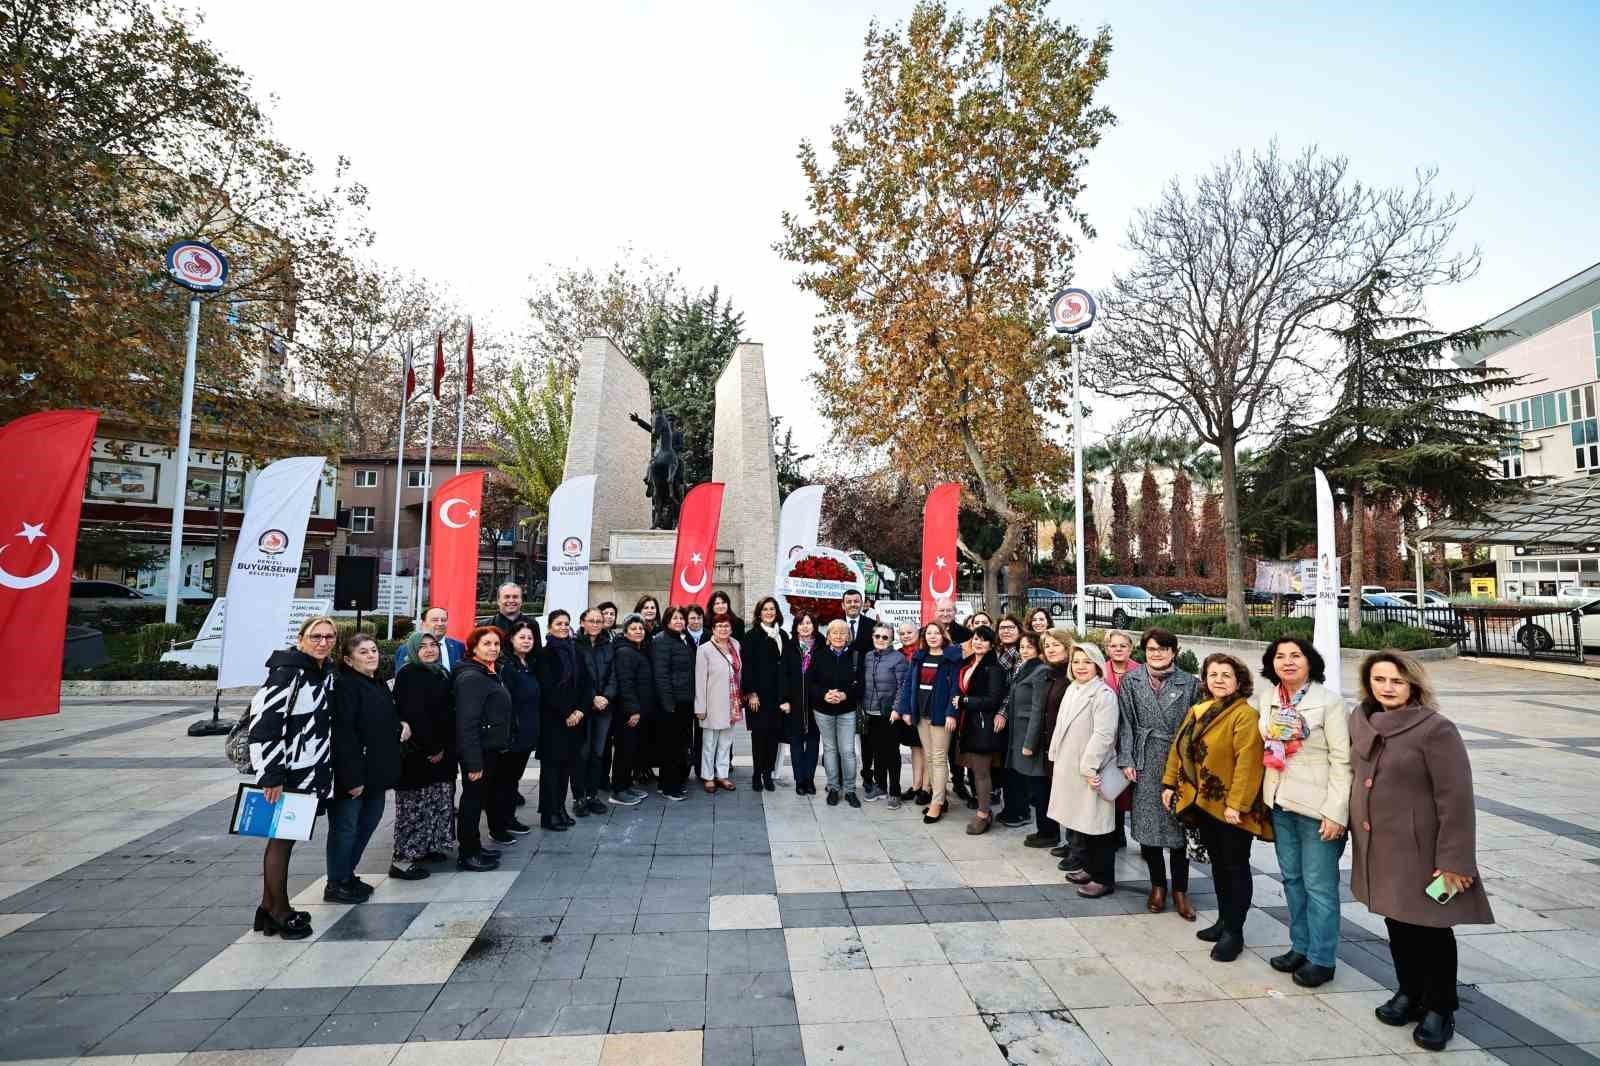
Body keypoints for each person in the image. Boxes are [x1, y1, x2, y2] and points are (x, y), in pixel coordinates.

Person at [1350, 651, 1493, 1052]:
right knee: (1397, 923)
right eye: (1379, 680)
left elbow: (1456, 798)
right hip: (1380, 845)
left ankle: (1440, 1007)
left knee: (1431, 929)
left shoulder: (1435, 729)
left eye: (1396, 680)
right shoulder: (1362, 721)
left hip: (1422, 849)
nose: (1388, 688)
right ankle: (1409, 993)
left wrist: (1454, 860)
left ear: (1413, 683)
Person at [1161, 653, 1272, 963]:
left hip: (1232, 808)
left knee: (1235, 867)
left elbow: (1248, 764)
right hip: (1204, 803)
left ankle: (1234, 933)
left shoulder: (1243, 715)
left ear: (1239, 681)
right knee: (1220, 866)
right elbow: (1178, 748)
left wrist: (1237, 804)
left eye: (1226, 674)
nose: (1219, 680)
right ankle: (1224, 921)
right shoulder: (1199, 710)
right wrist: (1169, 784)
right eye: (1213, 674)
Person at [1254, 636, 1351, 988]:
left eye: (1296, 655)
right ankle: (1300, 946)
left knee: (1319, 885)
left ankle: (1323, 958)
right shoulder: (1268, 698)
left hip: (1316, 807)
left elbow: (1343, 760)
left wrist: (1337, 812)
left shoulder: (1329, 702)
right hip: (1279, 801)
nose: (1288, 661)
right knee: (1292, 880)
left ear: (1310, 662)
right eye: (1280, 656)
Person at [247, 616, 337, 938]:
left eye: (329, 636)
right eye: (316, 636)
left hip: (309, 771)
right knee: (282, 840)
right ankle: (280, 910)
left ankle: (268, 908)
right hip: (288, 773)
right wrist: (271, 775)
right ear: (301, 639)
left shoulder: (320, 673)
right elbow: (265, 724)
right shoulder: (288, 674)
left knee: (286, 837)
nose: (323, 642)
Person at [1117, 627, 1201, 919]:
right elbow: (1125, 722)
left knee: (1179, 829)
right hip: (1144, 758)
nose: (1157, 654)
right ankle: (1157, 886)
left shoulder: (1190, 683)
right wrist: (1126, 758)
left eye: (1163, 649)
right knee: (1148, 828)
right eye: (1152, 649)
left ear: (1173, 652)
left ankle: (1180, 890)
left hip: (1177, 760)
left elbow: (1196, 728)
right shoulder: (1132, 680)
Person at [325, 633, 405, 903]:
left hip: (377, 771)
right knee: (346, 827)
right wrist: (352, 778)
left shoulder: (377, 683)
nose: (372, 655)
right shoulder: (346, 686)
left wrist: (399, 726)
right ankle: (336, 882)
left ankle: (347, 873)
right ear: (348, 659)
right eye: (363, 652)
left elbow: (382, 720)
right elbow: (344, 734)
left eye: (373, 650)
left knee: (368, 823)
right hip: (354, 774)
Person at [1046, 642, 1119, 897]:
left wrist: (1089, 768)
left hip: (1091, 769)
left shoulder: (1103, 695)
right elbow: (1061, 725)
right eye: (1076, 661)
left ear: (1097, 665)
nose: (1080, 667)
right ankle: (1087, 867)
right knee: (1080, 822)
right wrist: (1054, 753)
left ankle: (1103, 878)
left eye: (1086, 662)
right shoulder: (1074, 689)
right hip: (1069, 764)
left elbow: (1104, 734)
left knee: (1097, 824)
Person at [391, 630, 456, 880]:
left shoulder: (440, 672)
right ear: (413, 651)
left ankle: (428, 847)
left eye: (434, 645)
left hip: (442, 752)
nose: (430, 650)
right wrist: (433, 748)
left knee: (435, 801)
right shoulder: (409, 674)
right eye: (423, 646)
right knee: (414, 807)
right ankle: (405, 857)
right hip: (420, 754)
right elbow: (415, 714)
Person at [453, 627, 512, 869]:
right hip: (479, 752)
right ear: (474, 647)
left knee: (478, 799)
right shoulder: (472, 677)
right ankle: (468, 854)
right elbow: (467, 723)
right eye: (487, 644)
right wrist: (474, 762)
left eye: (496, 644)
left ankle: (475, 847)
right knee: (472, 802)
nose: (493, 648)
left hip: (490, 748)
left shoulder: (489, 671)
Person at [895, 620, 963, 822]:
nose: (933, 636)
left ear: (943, 636)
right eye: (929, 633)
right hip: (921, 714)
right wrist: (905, 709)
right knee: (931, 758)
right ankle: (940, 797)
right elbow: (909, 685)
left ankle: (936, 803)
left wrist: (952, 712)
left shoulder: (952, 658)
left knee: (939, 758)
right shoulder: (919, 657)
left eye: (937, 633)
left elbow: (956, 689)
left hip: (941, 715)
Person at [998, 632, 1055, 845]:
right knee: (1033, 785)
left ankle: (1048, 833)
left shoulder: (1041, 670)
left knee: (1040, 788)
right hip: (1019, 733)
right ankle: (1044, 830)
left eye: (1029, 647)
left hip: (1031, 739)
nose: (1024, 650)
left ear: (1038, 650)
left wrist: (1029, 744)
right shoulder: (1025, 669)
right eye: (1022, 647)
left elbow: (1038, 709)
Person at [538, 610, 592, 825]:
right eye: (558, 623)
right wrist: (567, 712)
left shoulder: (575, 651)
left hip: (575, 721)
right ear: (550, 627)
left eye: (566, 623)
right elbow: (548, 688)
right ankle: (548, 814)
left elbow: (587, 684)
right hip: (554, 721)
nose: (563, 627)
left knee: (566, 769)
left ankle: (560, 809)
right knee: (552, 770)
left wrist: (580, 710)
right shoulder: (544, 653)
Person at [954, 624, 1009, 834]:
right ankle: (983, 810)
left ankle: (983, 814)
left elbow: (993, 700)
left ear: (991, 644)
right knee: (975, 771)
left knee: (981, 773)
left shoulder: (993, 668)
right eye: (975, 638)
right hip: (969, 724)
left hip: (983, 727)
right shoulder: (969, 663)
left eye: (983, 639)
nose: (978, 642)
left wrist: (965, 701)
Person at [492, 621, 540, 841]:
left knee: (513, 780)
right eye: (522, 637)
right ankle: (498, 826)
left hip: (527, 733)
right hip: (512, 734)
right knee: (502, 781)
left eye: (530, 637)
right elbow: (506, 703)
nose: (526, 641)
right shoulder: (506, 666)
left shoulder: (528, 663)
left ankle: (509, 818)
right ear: (511, 640)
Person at [809, 619, 862, 808]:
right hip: (823, 711)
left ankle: (850, 790)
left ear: (848, 636)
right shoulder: (819, 655)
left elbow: (860, 684)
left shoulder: (855, 657)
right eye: (835, 633)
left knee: (847, 751)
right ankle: (833, 788)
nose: (839, 636)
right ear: (828, 636)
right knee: (830, 749)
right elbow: (811, 683)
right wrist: (825, 694)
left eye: (843, 633)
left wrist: (845, 695)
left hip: (846, 711)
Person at [570, 609, 618, 815]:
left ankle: (592, 795)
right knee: (582, 753)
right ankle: (579, 798)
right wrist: (593, 697)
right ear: (582, 622)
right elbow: (577, 678)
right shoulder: (574, 646)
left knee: (598, 753)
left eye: (599, 621)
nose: (596, 624)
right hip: (583, 707)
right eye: (592, 621)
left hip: (604, 707)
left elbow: (614, 675)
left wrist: (606, 696)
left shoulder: (608, 644)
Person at [740, 596, 791, 792]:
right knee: (759, 737)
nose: (769, 612)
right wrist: (751, 693)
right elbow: (748, 667)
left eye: (772, 609)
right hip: (759, 697)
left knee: (773, 737)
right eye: (765, 609)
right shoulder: (752, 636)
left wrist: (786, 696)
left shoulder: (783, 636)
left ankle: (767, 774)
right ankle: (756, 774)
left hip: (777, 697)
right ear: (759, 613)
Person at [859, 621, 909, 807]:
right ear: (872, 637)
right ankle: (880, 785)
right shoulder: (868, 657)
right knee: (877, 751)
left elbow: (903, 687)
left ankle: (895, 790)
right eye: (877, 636)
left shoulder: (898, 659)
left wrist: (896, 709)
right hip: (869, 712)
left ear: (891, 639)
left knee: (891, 753)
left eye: (885, 637)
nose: (880, 639)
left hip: (889, 713)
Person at [608, 614, 654, 805]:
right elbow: (625, 684)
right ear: (625, 632)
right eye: (633, 629)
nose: (638, 631)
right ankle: (619, 790)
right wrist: (633, 711)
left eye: (641, 629)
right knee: (623, 751)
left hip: (636, 711)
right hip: (627, 713)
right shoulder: (625, 653)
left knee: (630, 750)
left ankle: (626, 785)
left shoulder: (637, 649)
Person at [652, 606, 697, 800]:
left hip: (685, 701)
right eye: (674, 618)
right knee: (670, 746)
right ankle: (670, 787)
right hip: (672, 703)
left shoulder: (682, 638)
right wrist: (668, 703)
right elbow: (661, 675)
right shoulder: (662, 640)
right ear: (667, 621)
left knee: (680, 745)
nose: (679, 621)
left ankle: (670, 782)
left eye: (681, 618)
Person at [695, 615, 743, 792]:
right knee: (709, 742)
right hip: (712, 703)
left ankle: (722, 775)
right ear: (713, 629)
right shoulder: (704, 649)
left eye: (726, 626)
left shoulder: (735, 645)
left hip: (732, 700)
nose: (723, 629)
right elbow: (700, 680)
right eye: (719, 626)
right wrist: (700, 707)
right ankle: (708, 776)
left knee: (726, 741)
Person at [783, 612, 823, 795]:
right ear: (796, 626)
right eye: (801, 623)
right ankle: (799, 781)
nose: (805, 626)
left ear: (814, 625)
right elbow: (781, 675)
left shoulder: (822, 647)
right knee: (796, 743)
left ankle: (809, 779)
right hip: (794, 703)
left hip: (816, 704)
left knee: (813, 744)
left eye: (808, 623)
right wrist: (783, 699)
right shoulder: (789, 646)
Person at [892, 621, 926, 801]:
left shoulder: (924, 653)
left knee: (927, 749)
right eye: (902, 633)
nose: (905, 635)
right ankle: (915, 784)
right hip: (906, 709)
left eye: (909, 632)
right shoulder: (898, 654)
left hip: (923, 708)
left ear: (918, 633)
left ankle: (927, 788)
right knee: (915, 747)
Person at [393, 606, 466, 671]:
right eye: (435, 620)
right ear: (423, 624)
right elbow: (402, 678)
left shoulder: (458, 646)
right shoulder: (408, 648)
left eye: (443, 620)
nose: (440, 624)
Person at [492, 582, 542, 648]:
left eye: (515, 597)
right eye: (507, 597)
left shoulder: (533, 624)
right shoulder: (485, 626)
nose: (511, 600)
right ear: (498, 601)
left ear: (521, 600)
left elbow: (537, 654)